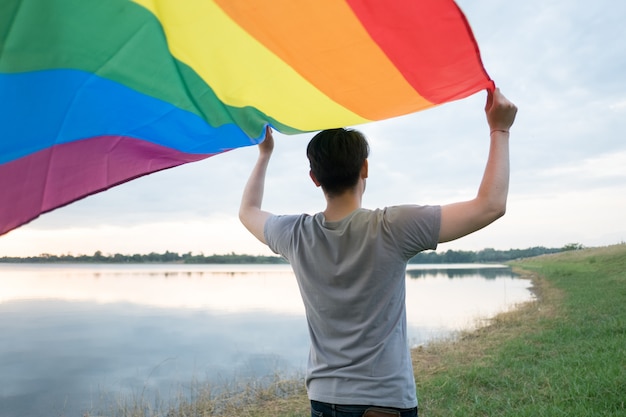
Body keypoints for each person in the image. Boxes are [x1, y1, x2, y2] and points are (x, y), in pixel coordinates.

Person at [239, 88, 517, 417]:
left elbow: (248, 210)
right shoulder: (392, 227)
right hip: (383, 401)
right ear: (365, 169)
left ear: (314, 178)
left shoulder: (295, 234)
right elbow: (490, 206)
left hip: (324, 399)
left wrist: (264, 154)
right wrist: (500, 129)